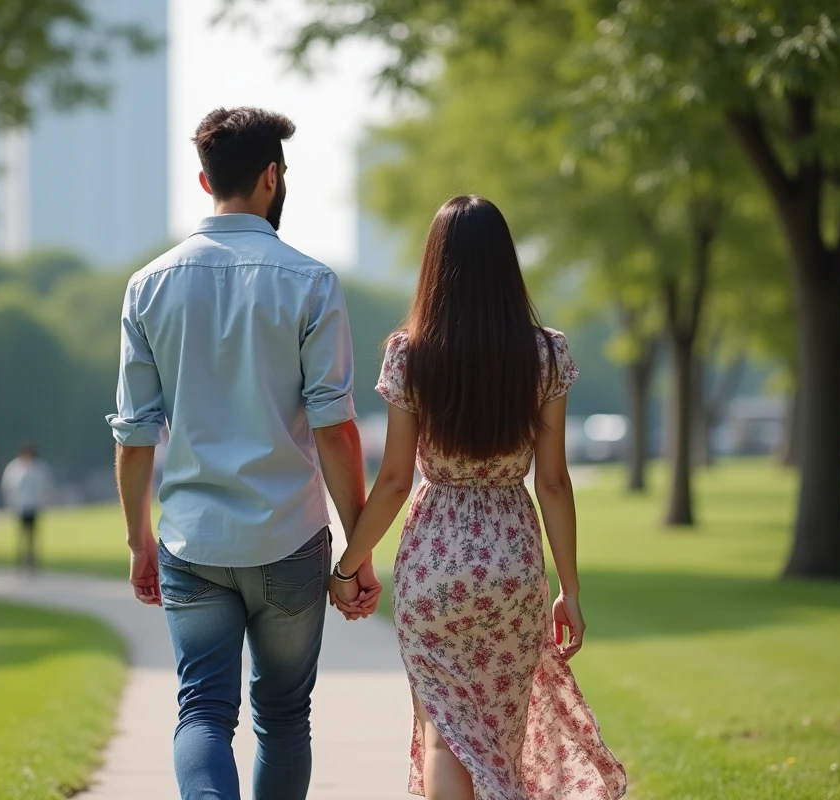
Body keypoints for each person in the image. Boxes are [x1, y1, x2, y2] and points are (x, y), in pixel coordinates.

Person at [107, 107, 381, 800]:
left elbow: (136, 435)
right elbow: (335, 429)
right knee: (285, 716)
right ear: (272, 177)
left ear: (204, 181)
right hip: (289, 538)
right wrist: (357, 552)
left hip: (192, 541)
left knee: (201, 710)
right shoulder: (312, 283)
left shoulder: (148, 286)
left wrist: (139, 541)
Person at [330, 196, 627, 799]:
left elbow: (391, 481)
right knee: (497, 744)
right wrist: (568, 588)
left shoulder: (410, 355)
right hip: (513, 566)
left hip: (433, 566)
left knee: (443, 735)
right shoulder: (545, 354)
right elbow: (553, 481)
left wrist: (348, 564)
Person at [1, 444, 52, 573]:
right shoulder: (15, 468)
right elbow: (8, 487)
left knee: (32, 536)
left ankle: (32, 563)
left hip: (34, 505)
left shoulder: (39, 468)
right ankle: (21, 562)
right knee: (22, 535)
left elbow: (45, 487)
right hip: (20, 506)